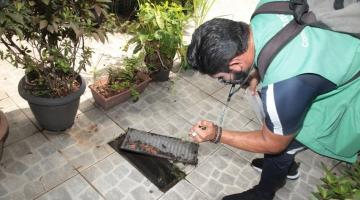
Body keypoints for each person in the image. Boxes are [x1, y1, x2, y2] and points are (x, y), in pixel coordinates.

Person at [186, 1, 360, 200]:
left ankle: (264, 193)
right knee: (280, 129)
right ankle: (286, 168)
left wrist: (216, 134)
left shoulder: (285, 88)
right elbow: (284, 36)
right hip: (339, 51)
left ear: (235, 63)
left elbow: (272, 143)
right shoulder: (265, 9)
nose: (223, 82)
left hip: (351, 91)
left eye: (221, 78)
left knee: (285, 143)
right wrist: (257, 69)